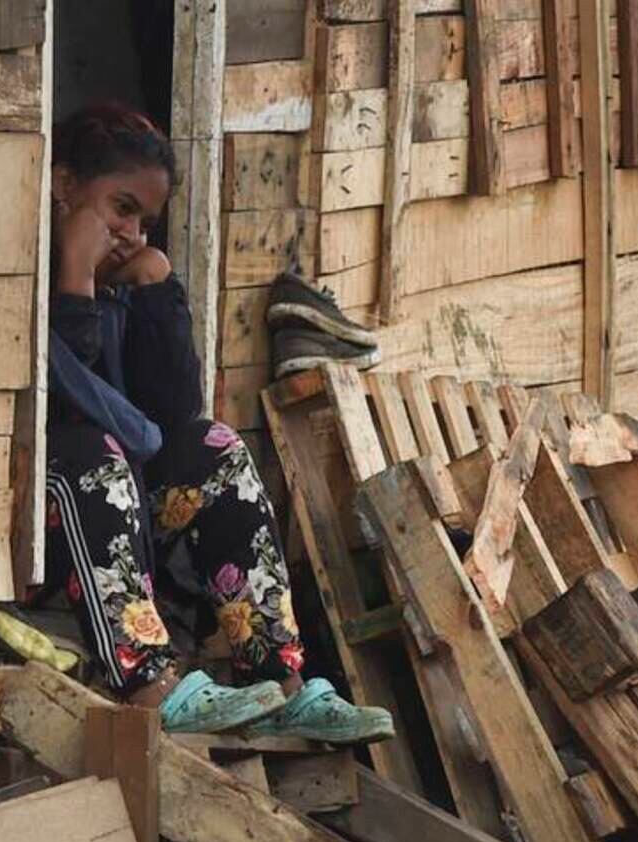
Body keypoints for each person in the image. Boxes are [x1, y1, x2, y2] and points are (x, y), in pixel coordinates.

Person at [43, 102, 393, 743]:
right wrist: (71, 275)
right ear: (64, 187)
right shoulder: (30, 276)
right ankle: (147, 682)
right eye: (121, 209)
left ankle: (282, 683)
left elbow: (174, 417)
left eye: (146, 222)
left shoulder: (123, 281)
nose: (132, 234)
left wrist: (155, 286)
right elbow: (68, 407)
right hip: (48, 515)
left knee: (216, 446)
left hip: (125, 511)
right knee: (90, 451)